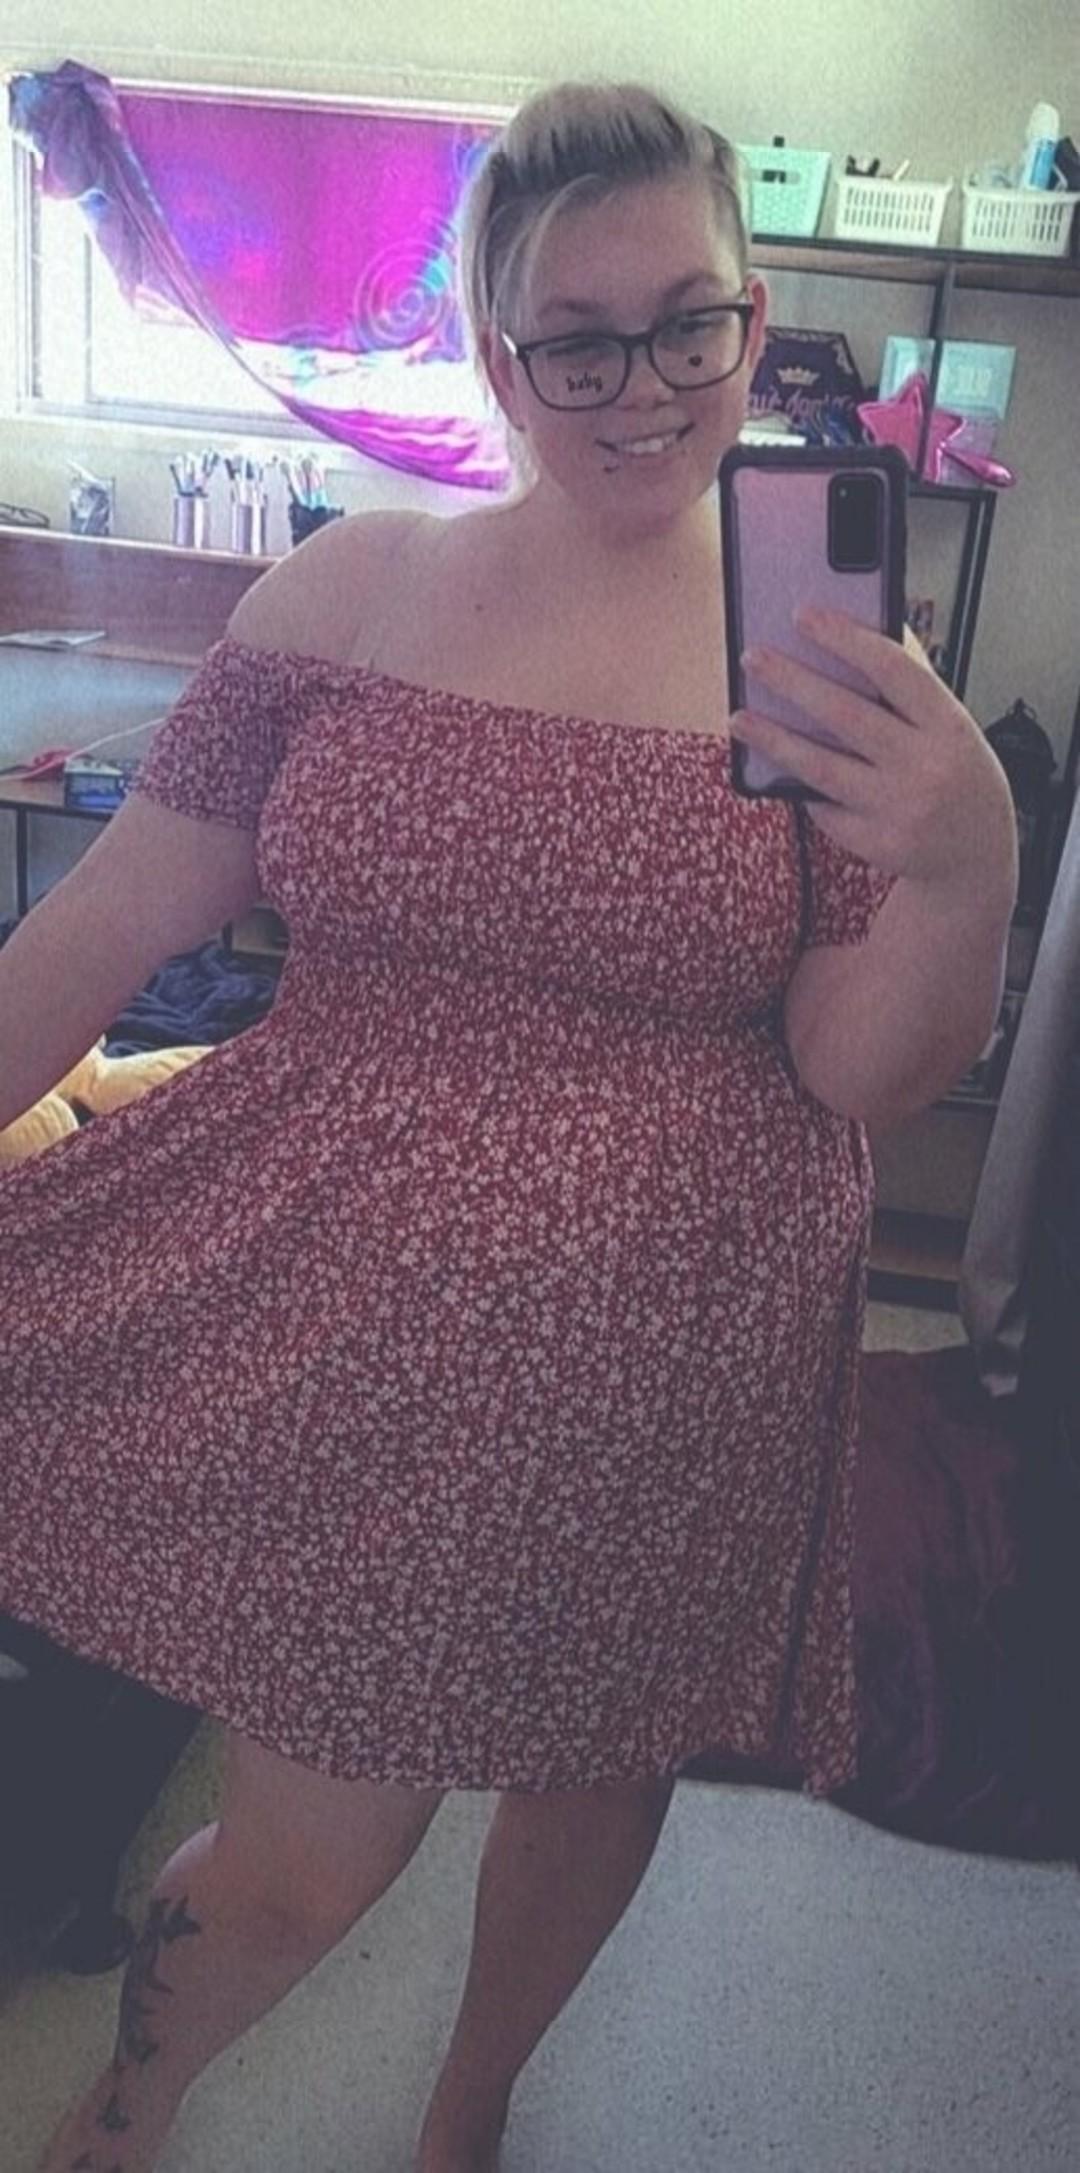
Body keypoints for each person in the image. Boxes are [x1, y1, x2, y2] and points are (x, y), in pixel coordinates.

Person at [2, 78, 1017, 2173]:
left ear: (753, 319)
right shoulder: (349, 592)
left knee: (592, 1763)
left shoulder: (821, 659)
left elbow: (859, 1067)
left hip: (680, 1355)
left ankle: (469, 2101)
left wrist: (968, 866)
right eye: (579, 340)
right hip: (340, 1330)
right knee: (304, 1857)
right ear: (494, 346)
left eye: (690, 323)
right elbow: (100, 925)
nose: (643, 387)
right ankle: (133, 2103)